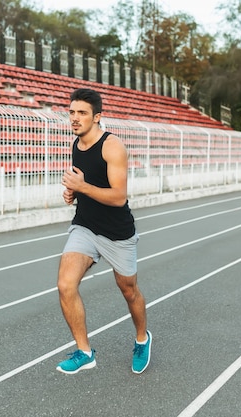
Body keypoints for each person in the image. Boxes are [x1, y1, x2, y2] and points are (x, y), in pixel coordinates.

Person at [56, 88, 151, 375]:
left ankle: (142, 338)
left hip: (116, 232)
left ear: (97, 117)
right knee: (65, 285)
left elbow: (118, 197)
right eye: (71, 112)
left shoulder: (112, 147)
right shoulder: (76, 144)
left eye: (82, 113)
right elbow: (84, 182)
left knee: (129, 290)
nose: (75, 118)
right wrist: (73, 193)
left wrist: (82, 187)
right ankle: (84, 352)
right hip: (85, 225)